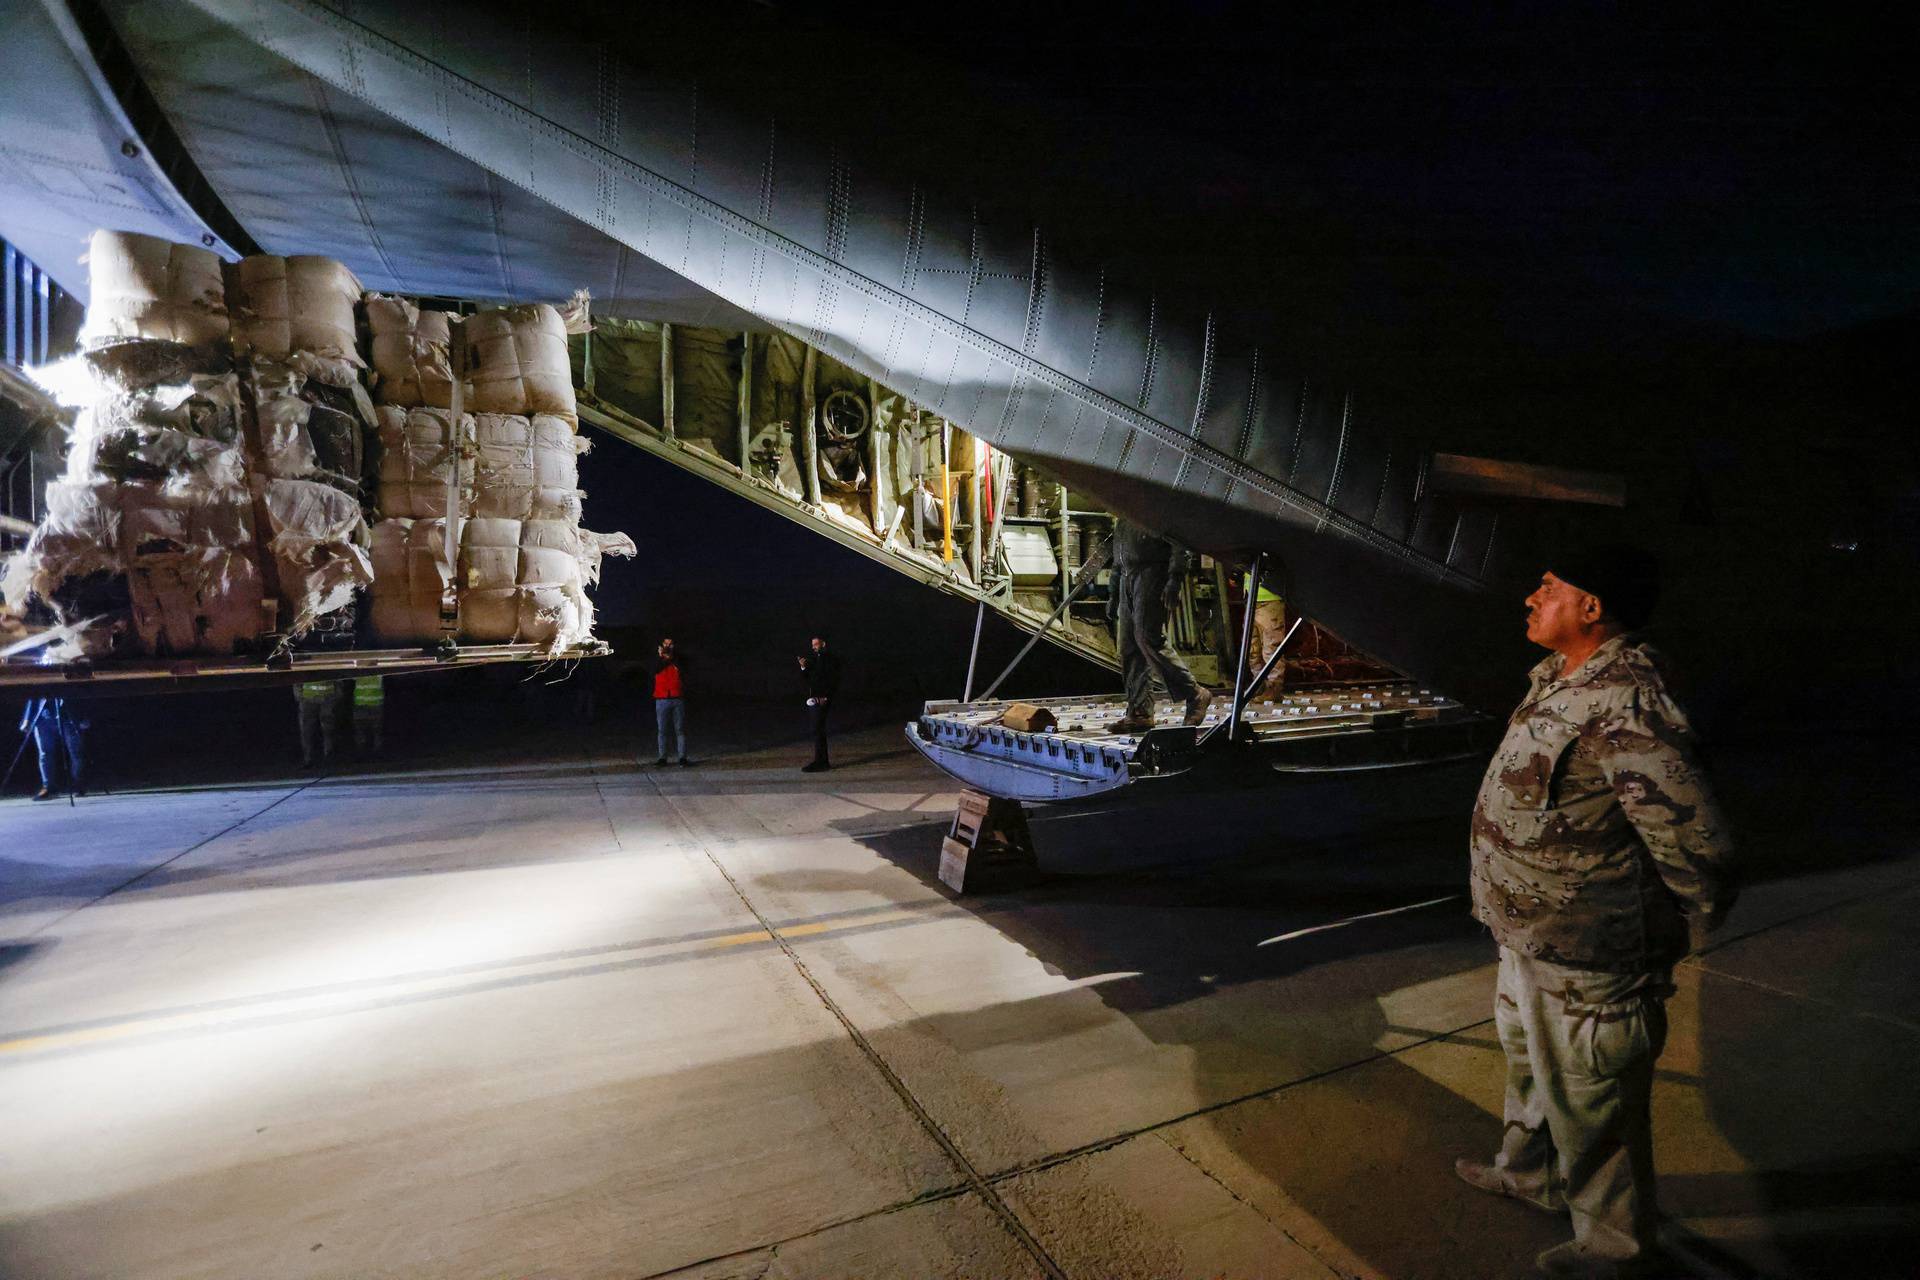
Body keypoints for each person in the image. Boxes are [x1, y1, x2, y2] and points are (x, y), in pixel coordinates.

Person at [1457, 544, 1736, 1280]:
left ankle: (1617, 1250)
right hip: (1529, 935)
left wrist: (1678, 927)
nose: (1531, 595)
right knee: (1531, 1071)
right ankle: (1527, 1174)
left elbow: (1692, 833)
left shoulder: (1627, 696)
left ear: (1592, 608)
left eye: (1549, 586)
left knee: (1596, 1106)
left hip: (1590, 948)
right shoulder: (1559, 678)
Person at [1106, 518, 1213, 733]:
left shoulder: (1152, 505)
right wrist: (1113, 594)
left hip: (1153, 573)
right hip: (1129, 576)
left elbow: (1179, 544)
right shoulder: (1123, 515)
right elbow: (1118, 559)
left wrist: (1175, 580)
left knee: (1148, 638)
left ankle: (1195, 693)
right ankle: (1140, 712)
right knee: (1129, 646)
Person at [20, 697, 86, 801]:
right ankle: (48, 787)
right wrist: (27, 719)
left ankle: (77, 784)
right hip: (43, 717)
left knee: (75, 752)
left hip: (68, 716)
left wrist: (83, 716)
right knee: (44, 753)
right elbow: (33, 693)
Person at [797, 635, 841, 772]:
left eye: (816, 644)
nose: (813, 647)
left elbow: (833, 679)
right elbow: (808, 679)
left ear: (823, 643)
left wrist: (826, 697)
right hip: (815, 698)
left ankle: (821, 762)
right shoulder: (816, 659)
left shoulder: (829, 659)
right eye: (812, 644)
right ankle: (821, 761)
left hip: (822, 698)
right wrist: (803, 667)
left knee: (818, 729)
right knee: (817, 729)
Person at [1243, 566, 1287, 699]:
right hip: (1252, 599)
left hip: (1269, 598)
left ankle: (1274, 687)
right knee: (1252, 648)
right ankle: (1260, 685)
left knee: (1271, 648)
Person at [651, 638, 690, 766]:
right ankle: (662, 758)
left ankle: (682, 758)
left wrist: (671, 657)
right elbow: (655, 669)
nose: (667, 646)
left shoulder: (679, 659)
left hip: (677, 698)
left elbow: (684, 670)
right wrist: (662, 657)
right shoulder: (657, 660)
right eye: (665, 644)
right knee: (662, 730)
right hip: (662, 699)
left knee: (680, 729)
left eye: (670, 644)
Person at [293, 679, 340, 768]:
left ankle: (328, 756)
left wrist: (336, 695)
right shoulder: (303, 664)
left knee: (328, 730)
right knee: (307, 731)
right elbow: (297, 679)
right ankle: (308, 759)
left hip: (327, 698)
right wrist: (299, 696)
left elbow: (338, 679)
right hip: (308, 699)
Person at [351, 675, 385, 756]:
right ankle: (376, 752)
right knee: (376, 731)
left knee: (361, 730)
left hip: (361, 704)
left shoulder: (358, 671)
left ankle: (362, 752)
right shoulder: (378, 673)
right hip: (374, 704)